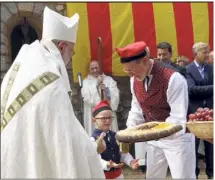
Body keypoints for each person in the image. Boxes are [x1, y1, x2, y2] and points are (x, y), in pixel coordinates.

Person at [1, 7, 105, 179]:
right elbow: (65, 141)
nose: (70, 57)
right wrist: (93, 148)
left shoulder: (22, 67)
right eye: (72, 52)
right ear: (62, 47)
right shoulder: (51, 82)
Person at [116, 41, 196, 179]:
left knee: (183, 177)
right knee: (153, 177)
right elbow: (137, 107)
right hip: (154, 138)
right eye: (126, 70)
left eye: (132, 70)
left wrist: (149, 132)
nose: (130, 74)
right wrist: (129, 131)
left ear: (145, 61)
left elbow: (177, 118)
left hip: (178, 139)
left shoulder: (173, 78)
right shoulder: (134, 79)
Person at [91, 100, 139, 179]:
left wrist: (131, 162)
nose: (107, 121)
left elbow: (123, 153)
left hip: (118, 176)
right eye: (103, 118)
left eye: (110, 118)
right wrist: (107, 164)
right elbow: (95, 159)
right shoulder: (93, 139)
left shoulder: (116, 136)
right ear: (94, 120)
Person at [186, 42, 213, 179]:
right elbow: (191, 90)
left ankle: (212, 174)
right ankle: (194, 175)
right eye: (204, 52)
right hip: (194, 115)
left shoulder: (211, 68)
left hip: (210, 114)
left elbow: (198, 90)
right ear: (195, 54)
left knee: (211, 147)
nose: (208, 55)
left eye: (208, 52)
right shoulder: (187, 70)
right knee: (193, 147)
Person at [82, 60, 119, 135]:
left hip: (108, 113)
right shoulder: (86, 82)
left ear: (100, 68)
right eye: (92, 68)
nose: (95, 70)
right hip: (94, 115)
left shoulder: (109, 80)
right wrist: (96, 86)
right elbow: (87, 98)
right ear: (89, 69)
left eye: (96, 68)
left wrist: (106, 91)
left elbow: (115, 96)